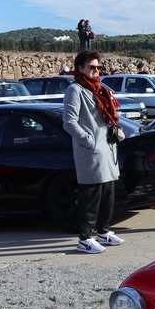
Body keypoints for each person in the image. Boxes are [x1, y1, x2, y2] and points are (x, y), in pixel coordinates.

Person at [62, 50, 125, 254]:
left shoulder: (100, 89)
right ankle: (85, 237)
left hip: (107, 148)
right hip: (91, 151)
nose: (96, 70)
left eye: (98, 67)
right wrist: (90, 142)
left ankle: (103, 231)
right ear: (80, 68)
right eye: (92, 66)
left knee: (108, 192)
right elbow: (69, 122)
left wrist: (116, 129)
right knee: (91, 196)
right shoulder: (75, 90)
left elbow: (109, 116)